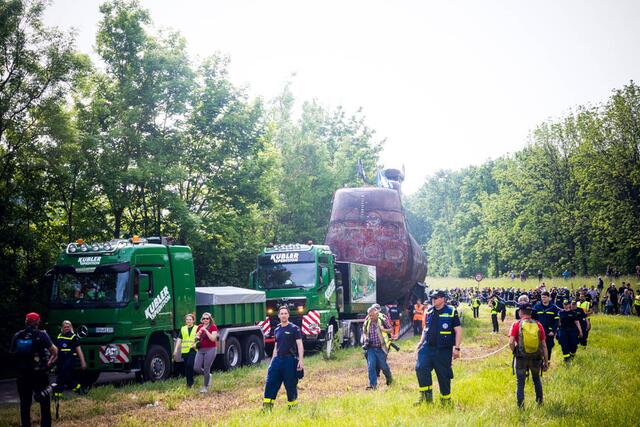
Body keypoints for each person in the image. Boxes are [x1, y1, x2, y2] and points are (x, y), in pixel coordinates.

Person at [414, 290, 462, 406]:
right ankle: (426, 399)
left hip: (443, 350)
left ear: (442, 299)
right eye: (432, 298)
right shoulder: (429, 311)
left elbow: (458, 330)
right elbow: (426, 328)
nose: (433, 300)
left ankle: (445, 401)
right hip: (427, 347)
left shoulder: (451, 311)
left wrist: (457, 348)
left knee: (443, 375)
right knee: (420, 368)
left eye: (435, 298)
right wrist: (421, 342)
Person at [11, 313, 58, 427]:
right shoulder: (41, 334)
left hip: (22, 375)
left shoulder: (17, 335)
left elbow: (12, 354)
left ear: (26, 321)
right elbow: (54, 351)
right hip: (39, 374)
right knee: (44, 403)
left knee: (25, 404)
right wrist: (49, 363)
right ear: (37, 322)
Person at [263, 306, 304, 410]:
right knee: (270, 383)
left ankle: (293, 408)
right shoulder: (276, 329)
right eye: (282, 313)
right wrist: (272, 363)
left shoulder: (294, 329)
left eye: (285, 313)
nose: (284, 315)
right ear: (278, 316)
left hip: (289, 360)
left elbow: (300, 345)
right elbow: (276, 348)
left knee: (290, 385)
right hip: (277, 361)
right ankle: (267, 408)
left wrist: (301, 360)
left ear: (288, 315)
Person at [509, 302, 548, 408]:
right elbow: (544, 345)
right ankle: (539, 403)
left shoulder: (516, 324)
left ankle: (521, 407)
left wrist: (515, 351)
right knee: (536, 379)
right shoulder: (538, 324)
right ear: (531, 312)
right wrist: (546, 361)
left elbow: (511, 342)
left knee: (520, 383)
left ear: (520, 312)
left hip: (521, 357)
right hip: (536, 357)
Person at [363, 305, 393, 390]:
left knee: (383, 366)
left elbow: (391, 329)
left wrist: (383, 330)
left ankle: (389, 379)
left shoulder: (383, 318)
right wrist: (366, 339)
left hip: (381, 347)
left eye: (372, 315)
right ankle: (373, 385)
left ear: (376, 314)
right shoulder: (367, 320)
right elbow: (364, 331)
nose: (371, 317)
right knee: (371, 365)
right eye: (369, 315)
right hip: (371, 348)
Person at [54, 320, 86, 399]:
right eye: (65, 327)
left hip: (69, 359)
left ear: (71, 327)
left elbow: (79, 350)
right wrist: (52, 359)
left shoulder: (73, 337)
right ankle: (79, 390)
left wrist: (83, 362)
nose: (67, 328)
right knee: (66, 378)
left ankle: (56, 396)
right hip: (61, 360)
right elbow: (56, 350)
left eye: (68, 327)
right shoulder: (59, 336)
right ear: (62, 328)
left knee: (61, 376)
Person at [192, 312, 218, 393]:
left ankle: (205, 387)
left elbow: (213, 339)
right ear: (201, 319)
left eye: (207, 318)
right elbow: (196, 338)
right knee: (196, 367)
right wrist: (197, 336)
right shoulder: (199, 326)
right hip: (201, 349)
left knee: (207, 368)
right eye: (204, 318)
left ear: (210, 319)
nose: (205, 320)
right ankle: (208, 376)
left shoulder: (213, 327)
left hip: (211, 349)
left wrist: (206, 331)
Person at [532, 291, 559, 360]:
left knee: (548, 347)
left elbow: (556, 321)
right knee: (538, 346)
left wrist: (553, 331)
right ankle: (539, 361)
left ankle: (547, 361)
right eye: (542, 297)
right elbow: (532, 319)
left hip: (549, 332)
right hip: (538, 331)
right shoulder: (536, 307)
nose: (543, 299)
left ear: (549, 298)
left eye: (545, 297)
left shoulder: (553, 308)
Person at [173, 313, 198, 388]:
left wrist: (197, 344)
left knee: (190, 365)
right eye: (187, 320)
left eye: (190, 319)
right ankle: (188, 384)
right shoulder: (183, 329)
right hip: (185, 351)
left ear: (193, 320)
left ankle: (191, 382)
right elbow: (179, 339)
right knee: (187, 367)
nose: (188, 321)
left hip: (193, 349)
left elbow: (200, 338)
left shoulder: (197, 328)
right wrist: (176, 350)